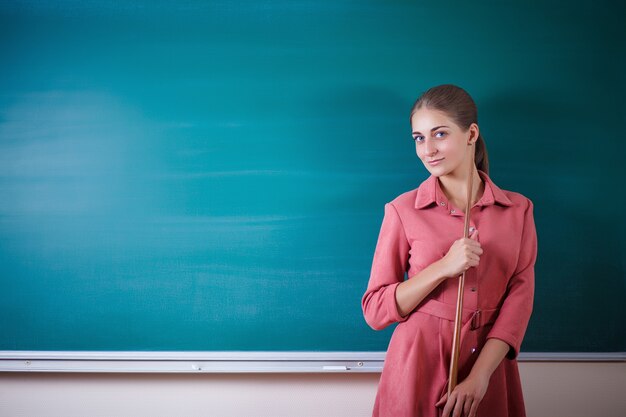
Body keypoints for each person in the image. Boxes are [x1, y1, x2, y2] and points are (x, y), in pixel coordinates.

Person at [361, 84, 538, 417]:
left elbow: (520, 300)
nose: (428, 149)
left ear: (471, 134)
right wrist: (443, 266)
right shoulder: (403, 210)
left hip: (489, 364)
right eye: (419, 138)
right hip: (418, 365)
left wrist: (479, 377)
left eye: (439, 134)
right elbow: (375, 311)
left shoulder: (519, 210)